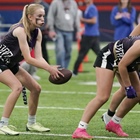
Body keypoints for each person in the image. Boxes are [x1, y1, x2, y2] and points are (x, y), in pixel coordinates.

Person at [0, 3, 64, 136]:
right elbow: (28, 59)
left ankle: (31, 123)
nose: (42, 19)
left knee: (36, 88)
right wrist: (48, 69)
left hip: (10, 64)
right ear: (30, 17)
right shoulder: (20, 31)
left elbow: (39, 57)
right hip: (0, 62)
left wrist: (50, 67)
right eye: (39, 16)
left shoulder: (37, 32)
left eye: (43, 16)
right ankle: (2, 125)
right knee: (17, 87)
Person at [72, 35, 140, 139]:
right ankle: (80, 129)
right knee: (102, 96)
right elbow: (122, 65)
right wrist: (128, 87)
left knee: (138, 93)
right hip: (109, 57)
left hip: (126, 61)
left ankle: (114, 123)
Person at [101, 23, 140, 133]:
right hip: (120, 56)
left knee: (129, 90)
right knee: (104, 96)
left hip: (128, 57)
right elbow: (132, 38)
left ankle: (109, 116)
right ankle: (112, 121)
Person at [47, 0, 80, 69]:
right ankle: (60, 68)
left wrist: (78, 31)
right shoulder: (55, 2)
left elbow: (76, 17)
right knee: (60, 50)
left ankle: (65, 68)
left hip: (70, 30)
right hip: (58, 30)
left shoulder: (73, 3)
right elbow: (50, 16)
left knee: (68, 51)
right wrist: (51, 30)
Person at [72, 0, 100, 76]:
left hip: (89, 35)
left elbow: (94, 20)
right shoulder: (89, 7)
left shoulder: (92, 8)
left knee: (82, 53)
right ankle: (110, 67)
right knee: (99, 53)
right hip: (92, 34)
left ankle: (75, 71)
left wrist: (82, 20)